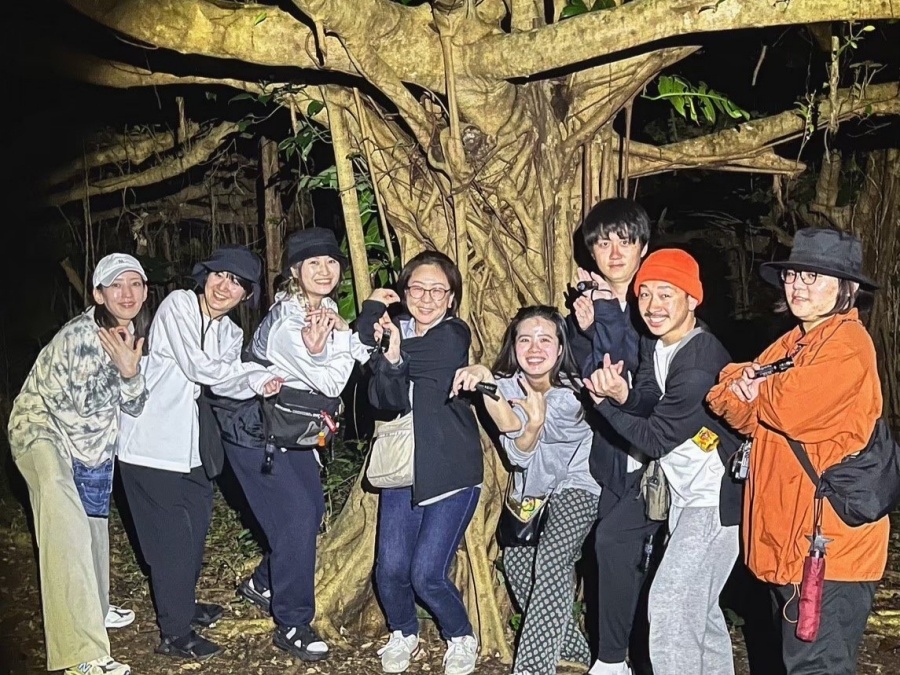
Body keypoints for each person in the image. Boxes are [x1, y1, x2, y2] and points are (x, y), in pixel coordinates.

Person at [707, 228, 888, 675]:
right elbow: (728, 397)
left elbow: (789, 406)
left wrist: (756, 383)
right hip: (785, 545)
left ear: (847, 289)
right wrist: (751, 385)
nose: (798, 286)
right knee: (785, 662)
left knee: (816, 667)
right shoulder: (795, 342)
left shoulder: (848, 345)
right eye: (793, 276)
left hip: (828, 550)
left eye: (813, 277)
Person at [116, 245, 282, 660]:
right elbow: (197, 366)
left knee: (194, 532)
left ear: (246, 295)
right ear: (206, 275)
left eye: (237, 283)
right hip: (150, 446)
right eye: (220, 274)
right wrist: (255, 373)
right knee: (171, 542)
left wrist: (262, 382)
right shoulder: (179, 305)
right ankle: (174, 634)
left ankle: (184, 604)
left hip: (191, 448)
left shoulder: (231, 333)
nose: (225, 286)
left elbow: (225, 384)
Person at [585, 249, 742, 675]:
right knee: (700, 612)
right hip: (684, 496)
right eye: (645, 294)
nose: (653, 306)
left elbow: (655, 439)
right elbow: (651, 399)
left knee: (671, 605)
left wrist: (603, 405)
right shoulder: (659, 345)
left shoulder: (699, 360)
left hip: (713, 503)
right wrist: (622, 395)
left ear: (692, 299)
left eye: (666, 294)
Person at [219, 228, 370, 661]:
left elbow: (358, 356)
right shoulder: (289, 322)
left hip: (289, 429)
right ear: (295, 271)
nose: (324, 270)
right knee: (298, 518)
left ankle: (262, 583)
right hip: (254, 432)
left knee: (312, 510)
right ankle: (292, 622)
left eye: (331, 262)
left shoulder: (324, 309)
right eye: (313, 263)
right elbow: (331, 383)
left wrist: (347, 334)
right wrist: (345, 339)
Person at [8, 253, 151, 675]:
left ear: (145, 291)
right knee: (65, 521)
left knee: (92, 526)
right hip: (40, 429)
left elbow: (133, 405)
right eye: (116, 285)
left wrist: (129, 375)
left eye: (135, 283)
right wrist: (128, 374)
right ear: (98, 295)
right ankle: (79, 655)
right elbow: (87, 407)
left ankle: (96, 607)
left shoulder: (126, 332)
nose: (127, 293)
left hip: (86, 443)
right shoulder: (84, 337)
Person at [452, 306, 600, 675]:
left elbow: (537, 428)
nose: (534, 348)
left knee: (553, 559)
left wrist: (534, 419)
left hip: (579, 484)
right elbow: (517, 453)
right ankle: (574, 650)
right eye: (525, 339)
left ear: (561, 347)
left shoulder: (577, 391)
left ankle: (533, 668)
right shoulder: (506, 386)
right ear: (513, 345)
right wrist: (487, 380)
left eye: (545, 339)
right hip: (532, 489)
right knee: (518, 563)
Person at [357, 251, 482, 675]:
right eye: (417, 288)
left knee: (427, 573)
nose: (426, 298)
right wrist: (383, 350)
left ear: (451, 298)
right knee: (390, 569)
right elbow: (382, 398)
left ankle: (461, 636)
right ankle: (403, 632)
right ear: (405, 292)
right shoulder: (396, 334)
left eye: (437, 290)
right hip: (402, 466)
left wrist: (377, 343)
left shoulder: (453, 334)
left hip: (450, 470)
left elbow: (395, 357)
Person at [567, 198, 660, 675]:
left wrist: (604, 316)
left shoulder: (659, 303)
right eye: (604, 244)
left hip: (660, 458)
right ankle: (616, 658)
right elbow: (593, 375)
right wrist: (591, 326)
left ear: (643, 246)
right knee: (613, 557)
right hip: (612, 457)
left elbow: (637, 380)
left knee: (642, 558)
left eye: (626, 241)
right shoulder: (586, 309)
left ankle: (630, 658)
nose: (616, 252)